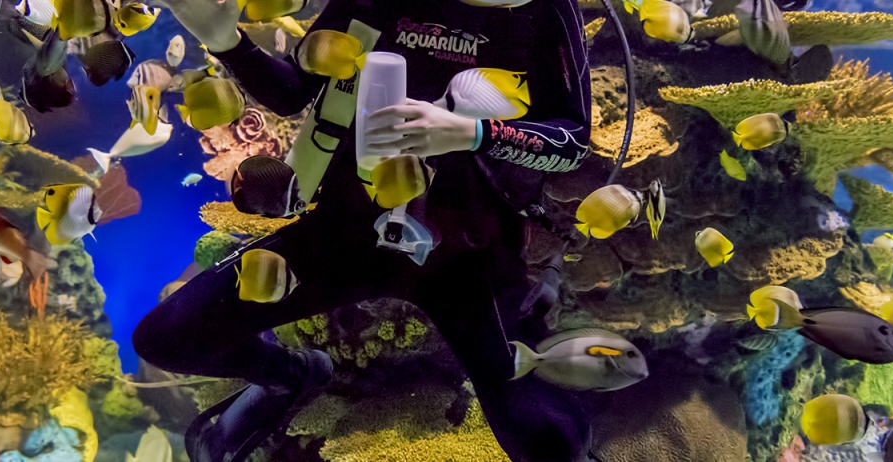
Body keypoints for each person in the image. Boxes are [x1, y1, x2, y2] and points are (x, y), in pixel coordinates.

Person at [131, 0, 596, 460]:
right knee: (165, 338)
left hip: (469, 254)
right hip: (346, 230)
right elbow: (295, 92)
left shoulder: (545, 9)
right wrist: (227, 42)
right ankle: (290, 375)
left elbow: (572, 141)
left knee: (548, 442)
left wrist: (473, 133)